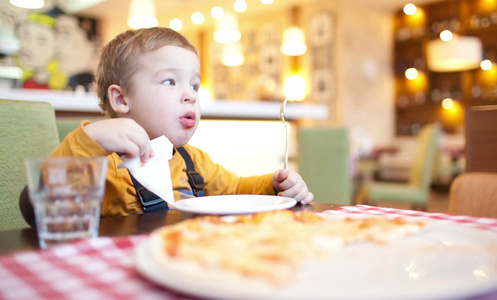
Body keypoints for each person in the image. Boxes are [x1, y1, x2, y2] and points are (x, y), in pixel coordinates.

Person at [20, 27, 313, 223]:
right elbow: (39, 206)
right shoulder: (104, 164)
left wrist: (274, 185)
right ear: (121, 99)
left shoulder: (193, 161)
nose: (190, 95)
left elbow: (235, 189)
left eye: (195, 85)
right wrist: (89, 140)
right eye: (170, 81)